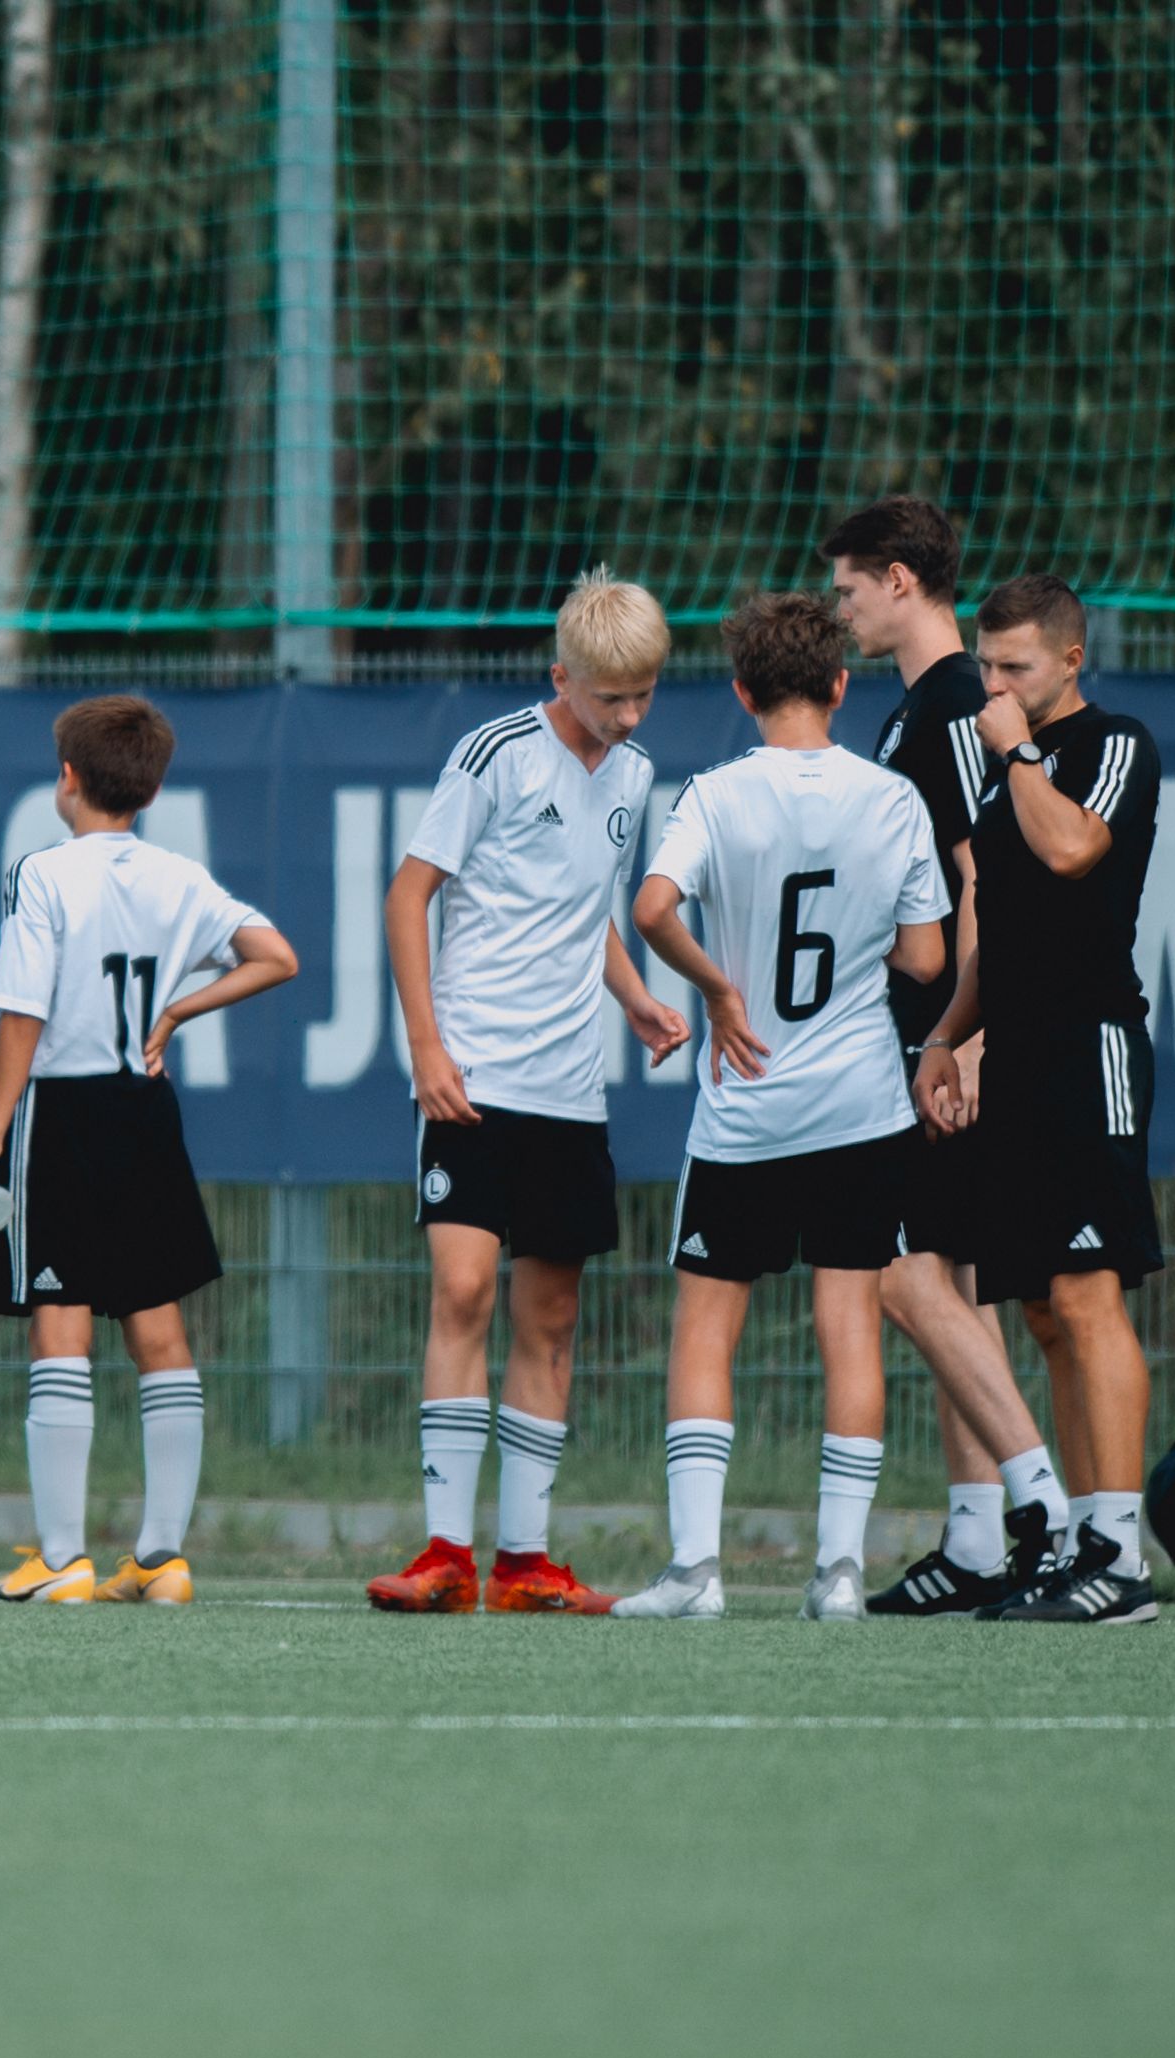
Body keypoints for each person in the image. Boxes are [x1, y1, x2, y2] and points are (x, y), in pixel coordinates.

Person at [614, 591, 948, 1623]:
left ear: (743, 691)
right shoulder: (892, 798)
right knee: (848, 1322)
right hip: (859, 1104)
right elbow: (930, 956)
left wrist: (717, 988)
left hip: (747, 1103)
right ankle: (839, 1570)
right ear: (843, 685)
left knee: (708, 1326)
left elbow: (651, 910)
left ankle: (696, 1571)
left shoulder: (716, 793)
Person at [365, 568, 688, 1617]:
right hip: (473, 1075)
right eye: (609, 697)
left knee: (551, 1318)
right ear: (564, 676)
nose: (626, 716)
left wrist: (636, 996)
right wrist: (426, 1045)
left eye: (642, 694)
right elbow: (409, 893)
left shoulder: (636, 773)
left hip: (569, 1088)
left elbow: (583, 906)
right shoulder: (495, 753)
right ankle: (445, 1551)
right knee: (462, 1292)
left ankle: (524, 1561)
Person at [0, 696, 298, 1606]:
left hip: (62, 1113)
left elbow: (25, 1009)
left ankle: (61, 1561)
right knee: (158, 1329)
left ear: (66, 778)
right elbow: (275, 956)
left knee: (61, 1327)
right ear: (152, 785)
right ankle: (161, 1557)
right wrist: (178, 1009)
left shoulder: (43, 873)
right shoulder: (180, 877)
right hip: (146, 1111)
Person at [821, 496, 1068, 1613]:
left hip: (939, 1040)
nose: (843, 608)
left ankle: (1044, 1513)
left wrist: (957, 1042)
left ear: (901, 582)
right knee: (945, 1280)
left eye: (849, 587)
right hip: (920, 1035)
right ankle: (974, 1539)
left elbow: (981, 877)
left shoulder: (959, 702)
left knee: (904, 1276)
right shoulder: (917, 707)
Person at [915, 574, 1164, 1624]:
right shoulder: (997, 774)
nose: (995, 684)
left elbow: (1070, 850)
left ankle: (1122, 1549)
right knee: (1038, 1305)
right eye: (987, 665)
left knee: (1087, 1292)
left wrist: (1016, 746)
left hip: (1089, 1049)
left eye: (1016, 666)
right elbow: (998, 922)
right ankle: (1077, 1540)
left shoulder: (1112, 745)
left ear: (1068, 661)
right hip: (1011, 1056)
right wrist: (943, 1038)